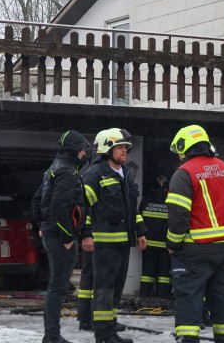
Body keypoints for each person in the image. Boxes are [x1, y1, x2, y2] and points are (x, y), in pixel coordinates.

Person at [166, 125, 224, 343]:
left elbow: (177, 216)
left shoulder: (184, 173)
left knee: (189, 298)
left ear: (184, 148)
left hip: (194, 249)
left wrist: (173, 243)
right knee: (223, 297)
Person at [83, 128, 148, 343]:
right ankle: (102, 335)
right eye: (120, 147)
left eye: (127, 148)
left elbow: (132, 208)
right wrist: (86, 235)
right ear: (107, 149)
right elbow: (82, 208)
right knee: (104, 288)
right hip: (104, 243)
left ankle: (111, 330)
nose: (125, 151)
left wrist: (140, 232)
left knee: (117, 288)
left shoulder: (126, 174)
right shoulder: (94, 174)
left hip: (123, 243)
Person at [36, 130, 93, 343]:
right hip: (62, 239)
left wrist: (43, 225)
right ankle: (52, 337)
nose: (84, 154)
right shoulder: (67, 172)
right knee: (58, 287)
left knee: (57, 286)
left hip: (54, 234)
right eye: (82, 150)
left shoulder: (54, 168)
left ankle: (51, 335)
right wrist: (68, 236)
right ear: (74, 150)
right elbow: (59, 205)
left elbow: (37, 199)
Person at [138, 174, 172, 299]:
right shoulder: (170, 200)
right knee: (164, 272)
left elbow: (139, 217)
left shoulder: (146, 199)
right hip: (165, 243)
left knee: (147, 270)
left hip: (148, 243)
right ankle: (163, 295)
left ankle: (145, 295)